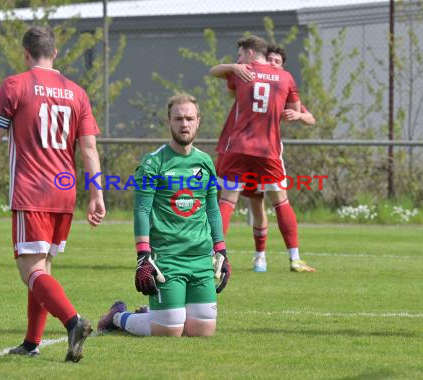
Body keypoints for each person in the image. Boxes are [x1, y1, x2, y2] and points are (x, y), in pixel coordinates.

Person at [0, 26, 105, 362]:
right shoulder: (77, 92)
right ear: (55, 53)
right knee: (42, 267)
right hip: (64, 194)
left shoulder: (15, 85)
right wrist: (97, 193)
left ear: (26, 53)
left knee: (30, 270)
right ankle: (32, 342)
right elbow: (88, 148)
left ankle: (73, 322)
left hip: (31, 191)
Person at [97, 94, 230, 337]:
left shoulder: (205, 162)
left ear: (198, 121)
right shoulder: (153, 163)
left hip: (201, 258)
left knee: (203, 331)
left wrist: (221, 250)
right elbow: (142, 210)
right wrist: (143, 257)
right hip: (167, 259)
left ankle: (157, 308)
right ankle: (117, 316)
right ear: (169, 121)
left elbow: (212, 208)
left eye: (190, 118)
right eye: (178, 118)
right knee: (168, 332)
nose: (184, 124)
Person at [209, 36, 315, 273]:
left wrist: (233, 67)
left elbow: (214, 72)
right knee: (281, 202)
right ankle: (294, 258)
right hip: (268, 151)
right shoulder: (285, 77)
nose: (237, 59)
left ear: (248, 53)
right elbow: (297, 111)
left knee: (227, 201)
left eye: (239, 55)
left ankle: (213, 257)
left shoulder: (241, 72)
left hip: (238, 148)